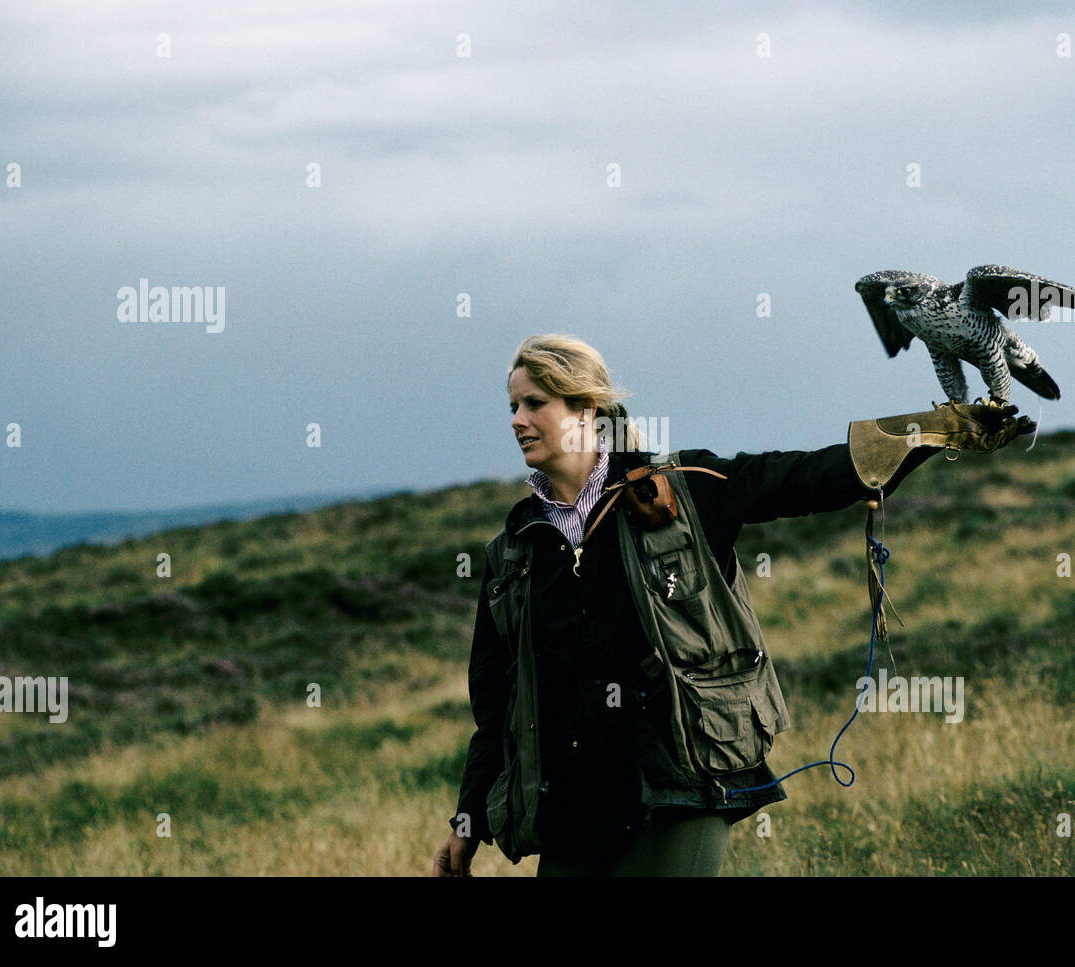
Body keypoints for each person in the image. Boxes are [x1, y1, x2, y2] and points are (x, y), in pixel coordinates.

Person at [432, 333, 1031, 877]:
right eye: (513, 406)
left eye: (535, 403)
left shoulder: (680, 493)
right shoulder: (515, 551)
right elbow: (497, 706)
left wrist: (925, 432)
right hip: (571, 810)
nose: (518, 420)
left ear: (586, 409)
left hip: (683, 787)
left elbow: (801, 477)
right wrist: (468, 823)